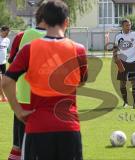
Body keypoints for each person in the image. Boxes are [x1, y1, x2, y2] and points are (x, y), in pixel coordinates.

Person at [2, 1, 88, 160]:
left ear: (44, 21)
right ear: (67, 21)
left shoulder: (29, 49)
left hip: (38, 127)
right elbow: (82, 81)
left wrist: (18, 110)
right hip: (68, 127)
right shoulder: (79, 49)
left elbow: (6, 82)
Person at [7, 2, 47, 160]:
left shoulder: (21, 36)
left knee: (19, 144)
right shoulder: (59, 38)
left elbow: (13, 66)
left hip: (22, 99)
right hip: (43, 102)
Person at [113, 19, 135, 109]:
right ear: (122, 26)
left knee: (134, 82)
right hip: (122, 62)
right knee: (122, 84)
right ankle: (125, 102)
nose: (128, 27)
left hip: (133, 61)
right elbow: (115, 49)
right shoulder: (118, 36)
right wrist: (116, 60)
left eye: (129, 25)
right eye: (126, 25)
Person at [0, 25, 10, 101]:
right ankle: (3, 97)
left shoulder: (8, 40)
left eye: (8, 33)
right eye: (6, 32)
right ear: (2, 31)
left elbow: (5, 51)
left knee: (3, 81)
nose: (7, 34)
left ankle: (3, 96)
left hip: (3, 63)